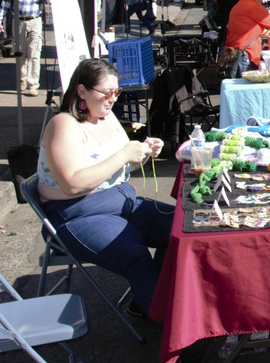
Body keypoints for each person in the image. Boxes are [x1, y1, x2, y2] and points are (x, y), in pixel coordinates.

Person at [35, 57, 172, 317]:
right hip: (78, 213)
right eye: (106, 93)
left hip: (120, 201)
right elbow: (72, 184)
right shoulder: (64, 124)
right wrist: (123, 155)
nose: (113, 99)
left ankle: (146, 301)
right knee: (135, 256)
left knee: (179, 228)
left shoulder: (106, 118)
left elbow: (116, 168)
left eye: (116, 92)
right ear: (82, 91)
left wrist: (143, 152)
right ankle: (171, 325)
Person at [0, 0, 51, 97]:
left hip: (35, 20)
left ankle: (33, 84)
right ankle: (22, 80)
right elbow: (5, 5)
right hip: (19, 21)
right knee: (20, 53)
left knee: (34, 53)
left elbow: (49, 0)